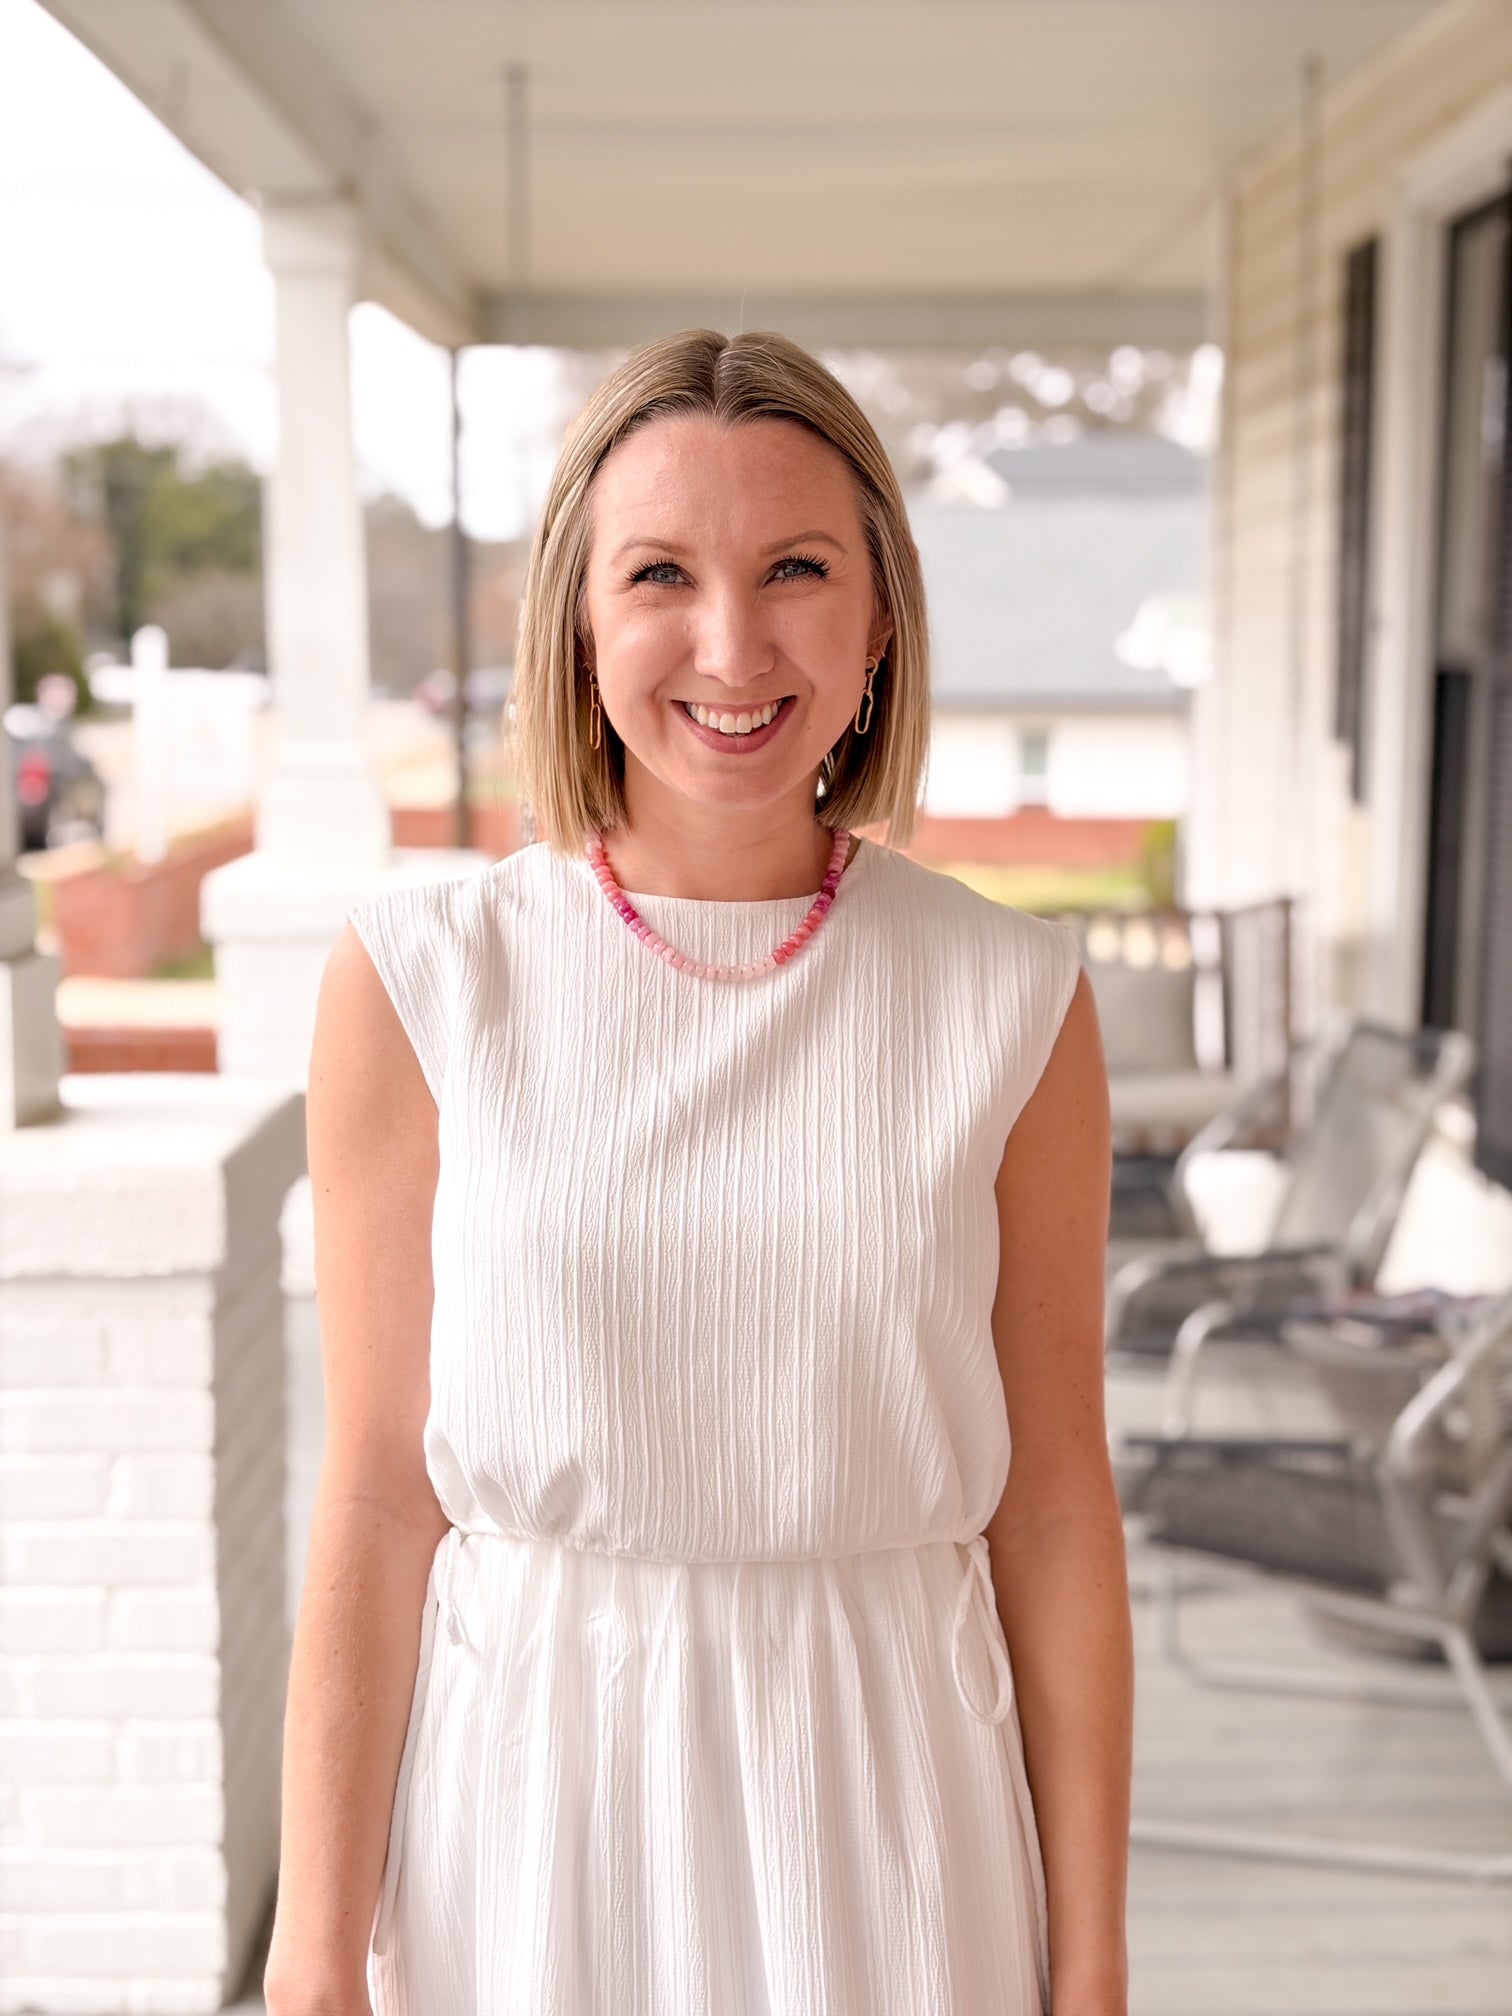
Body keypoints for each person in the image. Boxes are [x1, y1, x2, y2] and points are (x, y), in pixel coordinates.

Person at [264, 328, 1131, 2016]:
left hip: (892, 1799)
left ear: (881, 617)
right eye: (660, 572)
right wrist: (313, 1958)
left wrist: (1090, 1965)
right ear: (578, 619)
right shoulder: (424, 980)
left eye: (797, 567)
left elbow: (1051, 1511)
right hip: (529, 1798)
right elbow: (378, 1500)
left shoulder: (1013, 999)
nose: (732, 643)